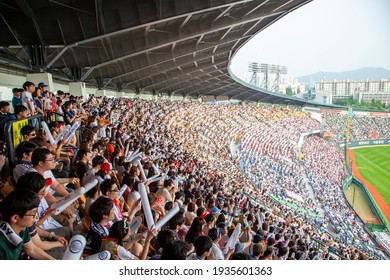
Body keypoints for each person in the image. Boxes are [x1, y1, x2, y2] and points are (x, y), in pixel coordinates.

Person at [0, 189, 55, 259]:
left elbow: (31, 249)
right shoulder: (2, 247)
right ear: (15, 218)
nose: (36, 216)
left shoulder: (22, 228)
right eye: (33, 213)